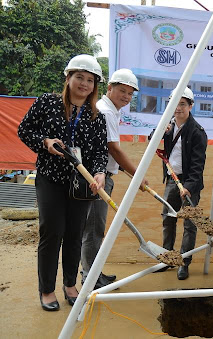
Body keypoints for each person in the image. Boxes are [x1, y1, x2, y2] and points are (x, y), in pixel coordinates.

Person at [18, 54, 108, 311]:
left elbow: (101, 152)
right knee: (52, 232)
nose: (84, 84)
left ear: (94, 86)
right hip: (51, 180)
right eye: (79, 77)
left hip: (81, 185)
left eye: (90, 80)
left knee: (74, 234)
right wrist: (44, 143)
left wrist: (99, 173)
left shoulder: (96, 117)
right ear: (68, 78)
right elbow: (24, 130)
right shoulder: (47, 102)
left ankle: (70, 284)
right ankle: (46, 289)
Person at [81, 69, 149, 289]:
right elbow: (114, 149)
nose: (127, 97)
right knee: (93, 230)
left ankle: (94, 273)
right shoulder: (106, 112)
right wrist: (138, 174)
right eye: (122, 91)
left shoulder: (111, 111)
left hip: (102, 175)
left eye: (130, 93)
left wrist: (133, 176)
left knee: (95, 229)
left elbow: (111, 153)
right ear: (109, 88)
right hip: (97, 178)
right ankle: (90, 279)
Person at [155, 87, 207, 280]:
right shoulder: (168, 126)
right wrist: (161, 130)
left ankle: (184, 262)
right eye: (174, 104)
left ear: (190, 106)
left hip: (188, 183)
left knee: (189, 223)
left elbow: (197, 164)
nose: (178, 108)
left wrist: (190, 187)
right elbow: (152, 139)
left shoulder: (197, 132)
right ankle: (168, 257)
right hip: (172, 179)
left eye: (182, 104)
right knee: (168, 218)